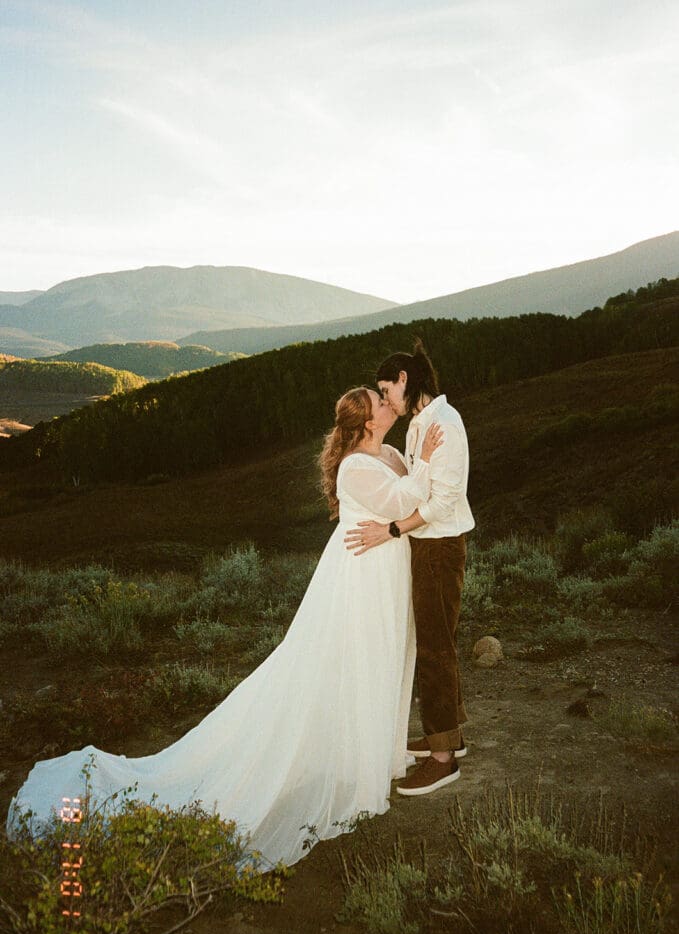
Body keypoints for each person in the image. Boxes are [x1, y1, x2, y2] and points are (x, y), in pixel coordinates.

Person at [7, 388, 443, 869]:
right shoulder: (355, 467)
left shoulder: (390, 452)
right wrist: (426, 462)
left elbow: (407, 499)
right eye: (379, 402)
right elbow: (407, 497)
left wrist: (416, 461)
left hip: (387, 571)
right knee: (352, 659)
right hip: (361, 577)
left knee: (382, 658)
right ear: (365, 423)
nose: (388, 403)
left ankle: (371, 755)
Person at [345, 340, 474, 797]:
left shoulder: (444, 423)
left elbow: (442, 501)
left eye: (386, 388)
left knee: (437, 649)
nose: (385, 399)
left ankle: (443, 761)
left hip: (439, 548)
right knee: (433, 644)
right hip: (427, 548)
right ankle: (445, 737)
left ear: (405, 380)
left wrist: (394, 530)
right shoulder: (422, 424)